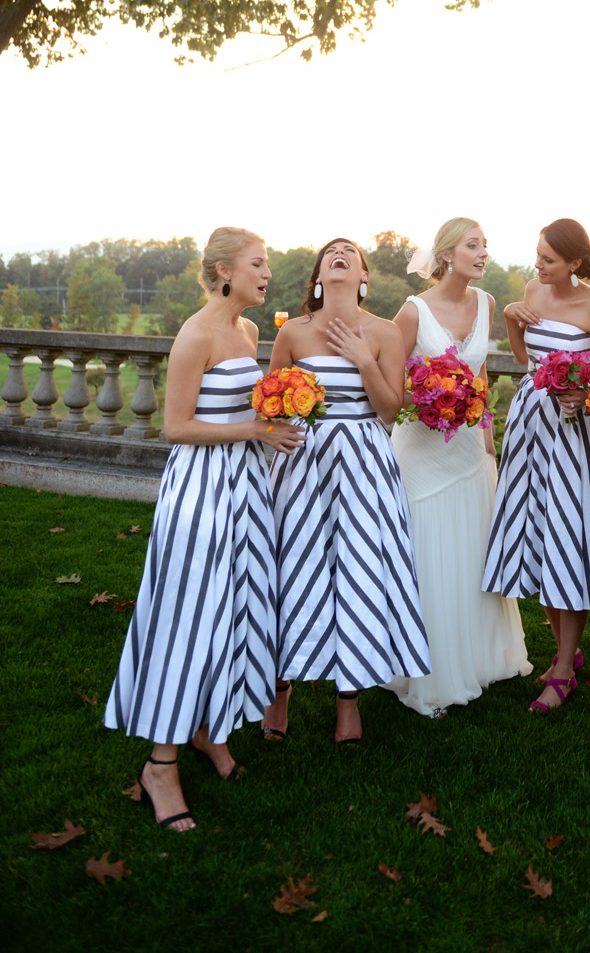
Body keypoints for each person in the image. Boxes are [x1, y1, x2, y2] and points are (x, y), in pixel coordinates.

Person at [104, 228, 302, 831]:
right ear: (223, 270)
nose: (267, 272)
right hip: (200, 493)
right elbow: (176, 427)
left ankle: (208, 730)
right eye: (257, 263)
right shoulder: (195, 335)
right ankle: (160, 764)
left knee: (238, 610)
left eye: (266, 263)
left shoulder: (246, 332)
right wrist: (256, 432)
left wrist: (280, 413)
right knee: (189, 616)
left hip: (246, 488)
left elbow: (245, 408)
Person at [260, 238, 430, 746]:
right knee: (293, 567)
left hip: (363, 463)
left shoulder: (382, 332)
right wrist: (279, 425)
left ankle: (348, 701)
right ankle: (280, 690)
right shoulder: (292, 332)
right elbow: (269, 404)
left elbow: (387, 409)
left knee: (359, 572)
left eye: (348, 253)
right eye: (329, 252)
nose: (338, 254)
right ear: (318, 275)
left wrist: (362, 359)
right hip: (303, 462)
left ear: (363, 277)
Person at [385, 217, 530, 716]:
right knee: (427, 549)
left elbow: (482, 371)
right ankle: (427, 667)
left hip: (469, 446)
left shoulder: (487, 303)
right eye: (474, 245)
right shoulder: (412, 312)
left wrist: (487, 436)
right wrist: (429, 397)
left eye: (486, 245)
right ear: (447, 253)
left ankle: (482, 657)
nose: (483, 253)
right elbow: (386, 386)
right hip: (421, 447)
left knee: (471, 549)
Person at [483, 218, 590, 713]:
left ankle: (562, 670)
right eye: (537, 255)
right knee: (536, 531)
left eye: (548, 259)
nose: (537, 265)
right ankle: (568, 652)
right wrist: (513, 321)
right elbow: (522, 358)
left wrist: (582, 395)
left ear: (574, 264)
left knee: (567, 533)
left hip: (573, 429)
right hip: (529, 419)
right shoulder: (529, 290)